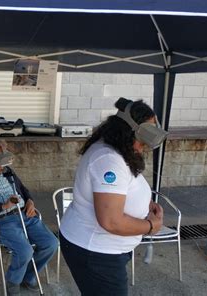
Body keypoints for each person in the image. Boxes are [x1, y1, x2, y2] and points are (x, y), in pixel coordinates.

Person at [59, 97, 166, 296]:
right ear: (132, 130)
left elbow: (120, 189)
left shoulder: (119, 150)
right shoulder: (109, 160)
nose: (147, 143)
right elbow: (111, 221)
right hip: (96, 252)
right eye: (148, 131)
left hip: (104, 250)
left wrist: (145, 203)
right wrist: (152, 226)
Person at [0, 139, 58, 296]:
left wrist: (30, 201)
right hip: (1, 221)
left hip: (24, 215)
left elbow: (23, 189)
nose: (1, 160)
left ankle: (27, 276)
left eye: (4, 154)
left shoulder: (8, 171)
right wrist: (3, 206)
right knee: (25, 251)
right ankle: (13, 281)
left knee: (51, 243)